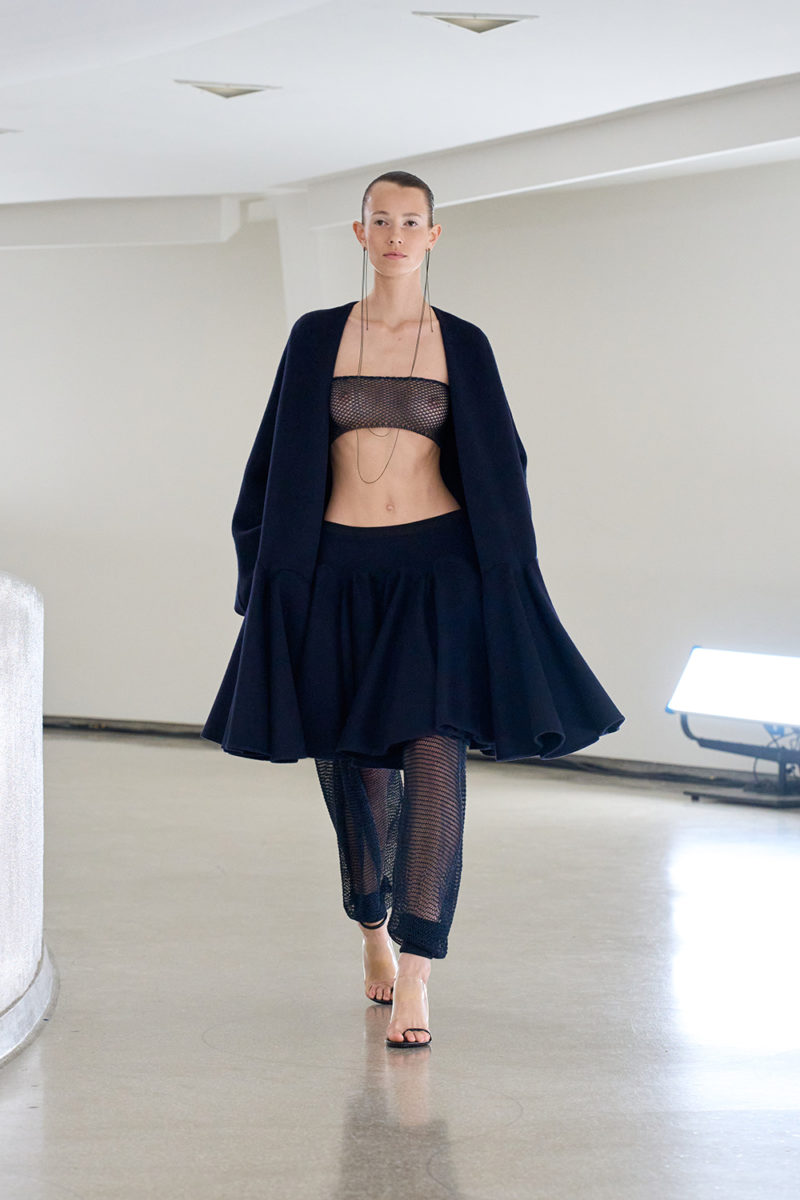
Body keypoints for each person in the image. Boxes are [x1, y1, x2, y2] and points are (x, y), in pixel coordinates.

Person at [202, 170, 625, 1050]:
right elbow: (273, 461)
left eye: (411, 221)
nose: (396, 234)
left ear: (434, 236)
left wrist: (508, 587)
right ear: (360, 234)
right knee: (355, 769)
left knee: (435, 753)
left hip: (438, 575)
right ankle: (372, 926)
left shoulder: (461, 343)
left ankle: (420, 968)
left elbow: (502, 468)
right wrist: (272, 580)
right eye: (381, 220)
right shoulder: (316, 336)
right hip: (336, 574)